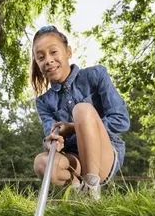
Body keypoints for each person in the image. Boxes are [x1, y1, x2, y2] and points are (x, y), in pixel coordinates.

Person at [30, 25, 130, 200]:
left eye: (54, 52)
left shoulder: (96, 75)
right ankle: (80, 194)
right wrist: (53, 142)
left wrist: (76, 127)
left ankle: (92, 192)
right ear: (38, 64)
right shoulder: (43, 102)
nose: (48, 60)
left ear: (68, 52)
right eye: (41, 57)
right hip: (75, 161)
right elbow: (53, 137)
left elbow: (121, 120)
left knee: (82, 110)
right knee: (41, 162)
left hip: (103, 157)